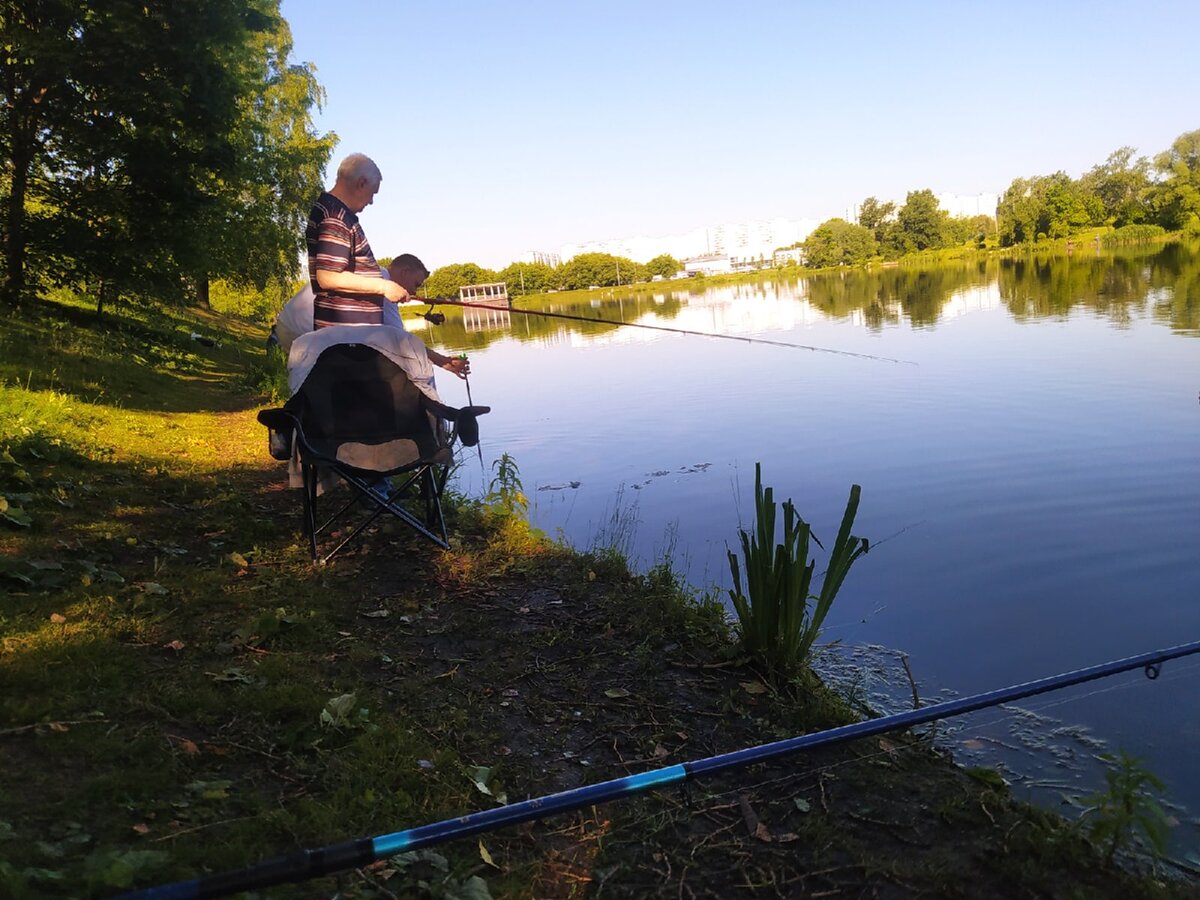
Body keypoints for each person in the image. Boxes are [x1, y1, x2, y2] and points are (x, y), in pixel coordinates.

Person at [272, 254, 469, 379]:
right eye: (416, 284)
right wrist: (443, 362)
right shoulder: (383, 283)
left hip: (287, 327)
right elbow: (406, 344)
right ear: (404, 271)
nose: (413, 290)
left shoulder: (373, 274)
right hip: (302, 335)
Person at [305, 153, 409, 329]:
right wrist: (384, 287)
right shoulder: (335, 216)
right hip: (347, 339)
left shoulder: (332, 211)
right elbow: (328, 276)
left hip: (347, 337)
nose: (371, 202)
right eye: (372, 193)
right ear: (361, 183)